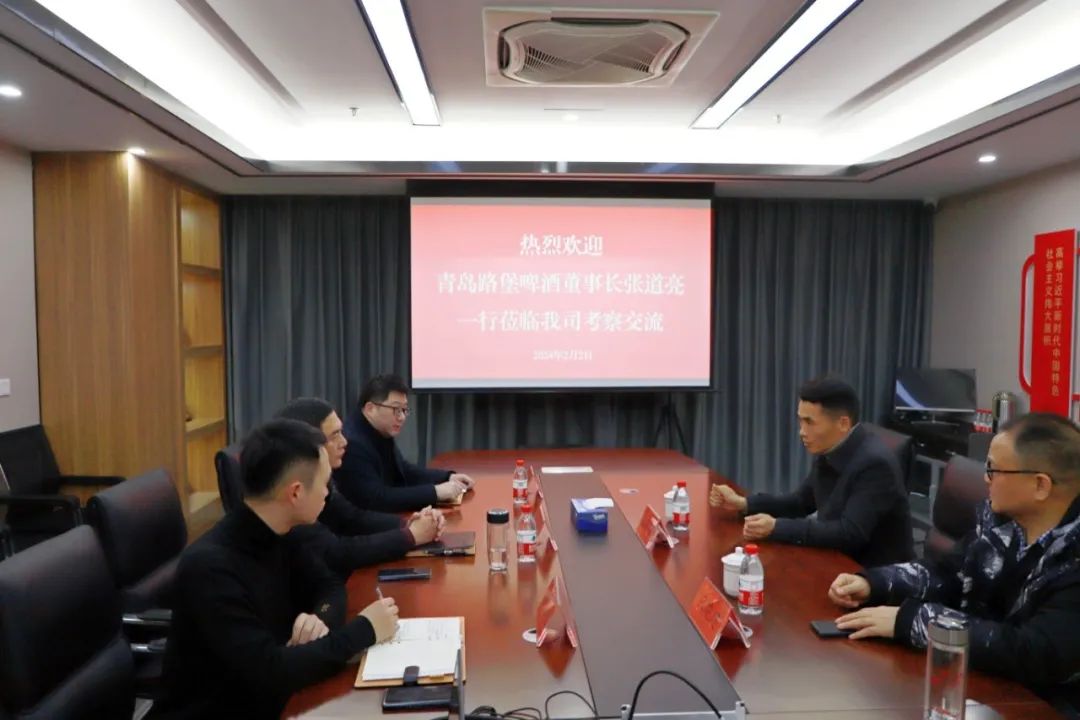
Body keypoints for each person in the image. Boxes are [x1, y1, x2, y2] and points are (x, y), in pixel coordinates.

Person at [829, 413, 1080, 715]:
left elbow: (1035, 652)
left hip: (1043, 704)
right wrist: (875, 583)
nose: (985, 479)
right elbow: (948, 573)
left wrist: (913, 621)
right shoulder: (1001, 522)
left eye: (994, 469)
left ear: (1040, 485)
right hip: (978, 682)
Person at [154, 419, 399, 719]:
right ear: (295, 493)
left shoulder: (283, 531)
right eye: (325, 483)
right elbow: (270, 672)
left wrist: (319, 620)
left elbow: (329, 585)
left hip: (275, 699)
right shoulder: (210, 568)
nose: (328, 493)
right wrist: (364, 631)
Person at [710, 376, 914, 566]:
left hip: (874, 575)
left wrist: (776, 527)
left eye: (810, 422)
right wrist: (744, 503)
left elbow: (850, 533)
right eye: (800, 421)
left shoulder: (875, 464)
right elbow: (801, 502)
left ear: (843, 423)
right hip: (837, 561)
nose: (802, 432)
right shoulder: (832, 447)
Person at [275, 397, 445, 575]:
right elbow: (336, 553)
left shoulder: (319, 478)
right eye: (335, 435)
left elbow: (352, 518)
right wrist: (410, 536)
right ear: (308, 444)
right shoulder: (290, 492)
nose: (344, 442)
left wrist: (408, 524)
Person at [337, 373, 475, 512]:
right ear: (370, 409)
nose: (402, 417)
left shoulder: (378, 429)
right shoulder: (352, 444)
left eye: (404, 410)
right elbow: (377, 499)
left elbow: (403, 470)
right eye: (396, 410)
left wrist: (447, 477)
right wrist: (436, 492)